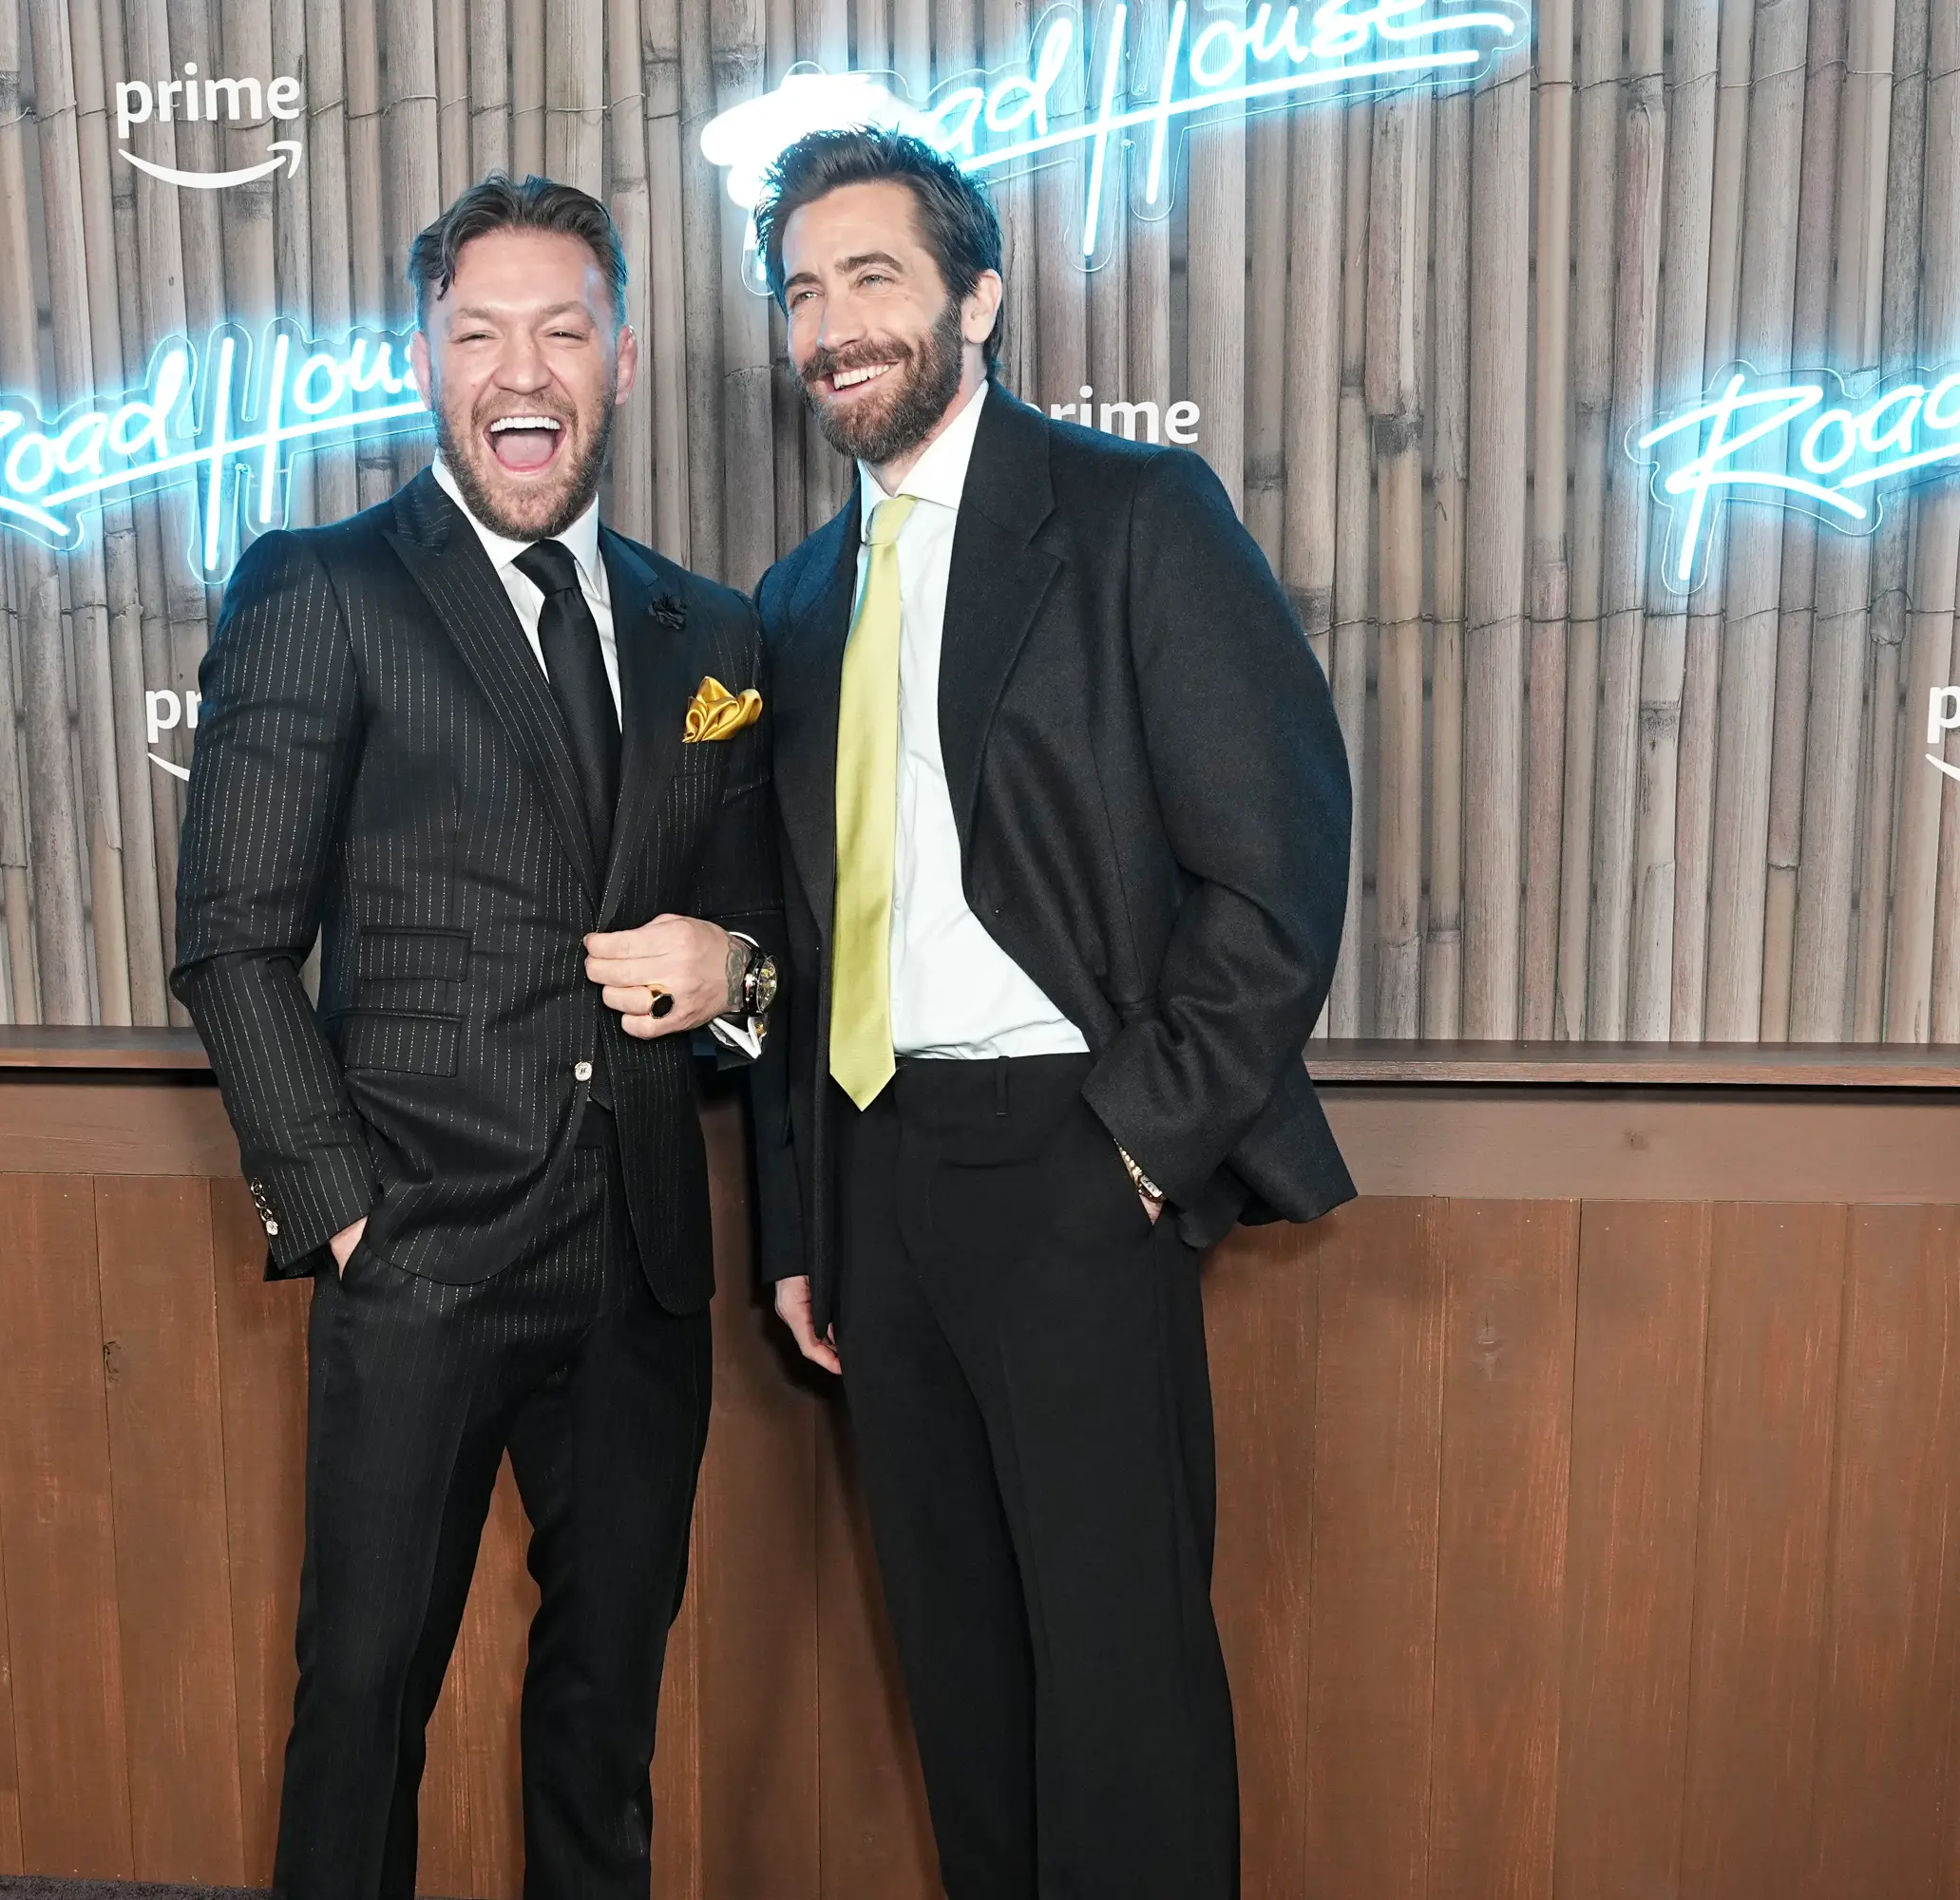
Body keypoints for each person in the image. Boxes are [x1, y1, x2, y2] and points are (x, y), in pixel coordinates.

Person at [747, 127, 1355, 1898]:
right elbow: (810, 933)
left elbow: (1279, 865)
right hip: (882, 1183)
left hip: (1079, 1164)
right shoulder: (796, 601)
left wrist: (1142, 1148)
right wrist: (805, 1222)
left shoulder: (1130, 520)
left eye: (873, 277)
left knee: (1121, 1688)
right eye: (802, 291)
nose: (834, 325)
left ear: (977, 296)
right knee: (965, 1684)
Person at [171, 175, 782, 1900]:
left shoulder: (709, 632)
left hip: (643, 1265)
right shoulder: (323, 587)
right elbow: (228, 939)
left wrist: (726, 969)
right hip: (422, 1254)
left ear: (625, 358)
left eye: (564, 328)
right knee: (361, 1702)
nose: (525, 365)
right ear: (428, 364)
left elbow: (769, 960)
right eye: (481, 331)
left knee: (606, 1716)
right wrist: (348, 1209)